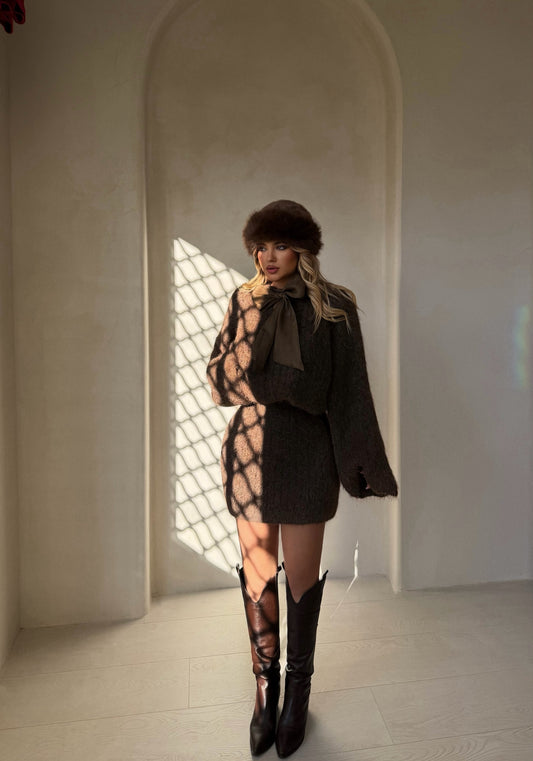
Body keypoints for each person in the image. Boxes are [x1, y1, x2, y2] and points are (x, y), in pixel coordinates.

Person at [206, 199, 398, 758]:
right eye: (260, 247)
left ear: (304, 250)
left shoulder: (336, 306)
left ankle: (297, 691)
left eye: (281, 246)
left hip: (308, 455)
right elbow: (219, 383)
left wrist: (364, 462)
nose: (268, 257)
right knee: (258, 576)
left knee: (301, 580)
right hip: (249, 452)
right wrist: (264, 365)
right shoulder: (243, 300)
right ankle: (264, 689)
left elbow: (350, 392)